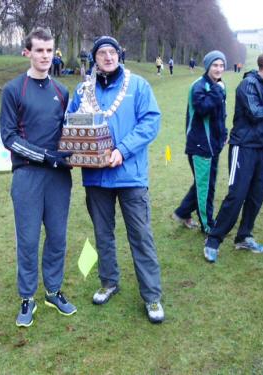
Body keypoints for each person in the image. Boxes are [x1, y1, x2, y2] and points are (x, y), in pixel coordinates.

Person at [68, 36, 165, 324]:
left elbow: (151, 121)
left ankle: (152, 296)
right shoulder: (83, 89)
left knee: (141, 236)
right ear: (95, 59)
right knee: (103, 233)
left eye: (112, 52)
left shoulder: (137, 85)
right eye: (102, 53)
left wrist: (122, 150)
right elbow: (71, 121)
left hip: (130, 176)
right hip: (96, 177)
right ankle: (109, 281)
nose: (108, 57)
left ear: (119, 55)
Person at [0, 27, 75, 327]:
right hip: (28, 176)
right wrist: (45, 156)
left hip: (59, 178)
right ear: (27, 52)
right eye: (39, 50)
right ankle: (27, 297)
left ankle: (53, 291)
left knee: (57, 237)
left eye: (49, 50)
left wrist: (84, 152)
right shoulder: (13, 90)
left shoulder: (62, 91)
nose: (45, 56)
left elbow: (70, 133)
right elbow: (9, 137)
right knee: (28, 240)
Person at [202, 51, 263, 263]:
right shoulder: (248, 85)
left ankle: (244, 236)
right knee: (236, 195)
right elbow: (257, 114)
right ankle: (213, 239)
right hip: (242, 147)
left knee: (256, 196)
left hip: (261, 149)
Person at [173, 51, 227, 234]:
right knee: (205, 188)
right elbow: (203, 109)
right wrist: (218, 90)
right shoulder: (199, 86)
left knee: (205, 183)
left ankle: (183, 212)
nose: (219, 69)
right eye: (215, 65)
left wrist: (223, 134)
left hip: (214, 145)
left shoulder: (219, 86)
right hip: (200, 146)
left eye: (221, 65)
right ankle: (207, 225)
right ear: (208, 66)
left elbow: (221, 115)